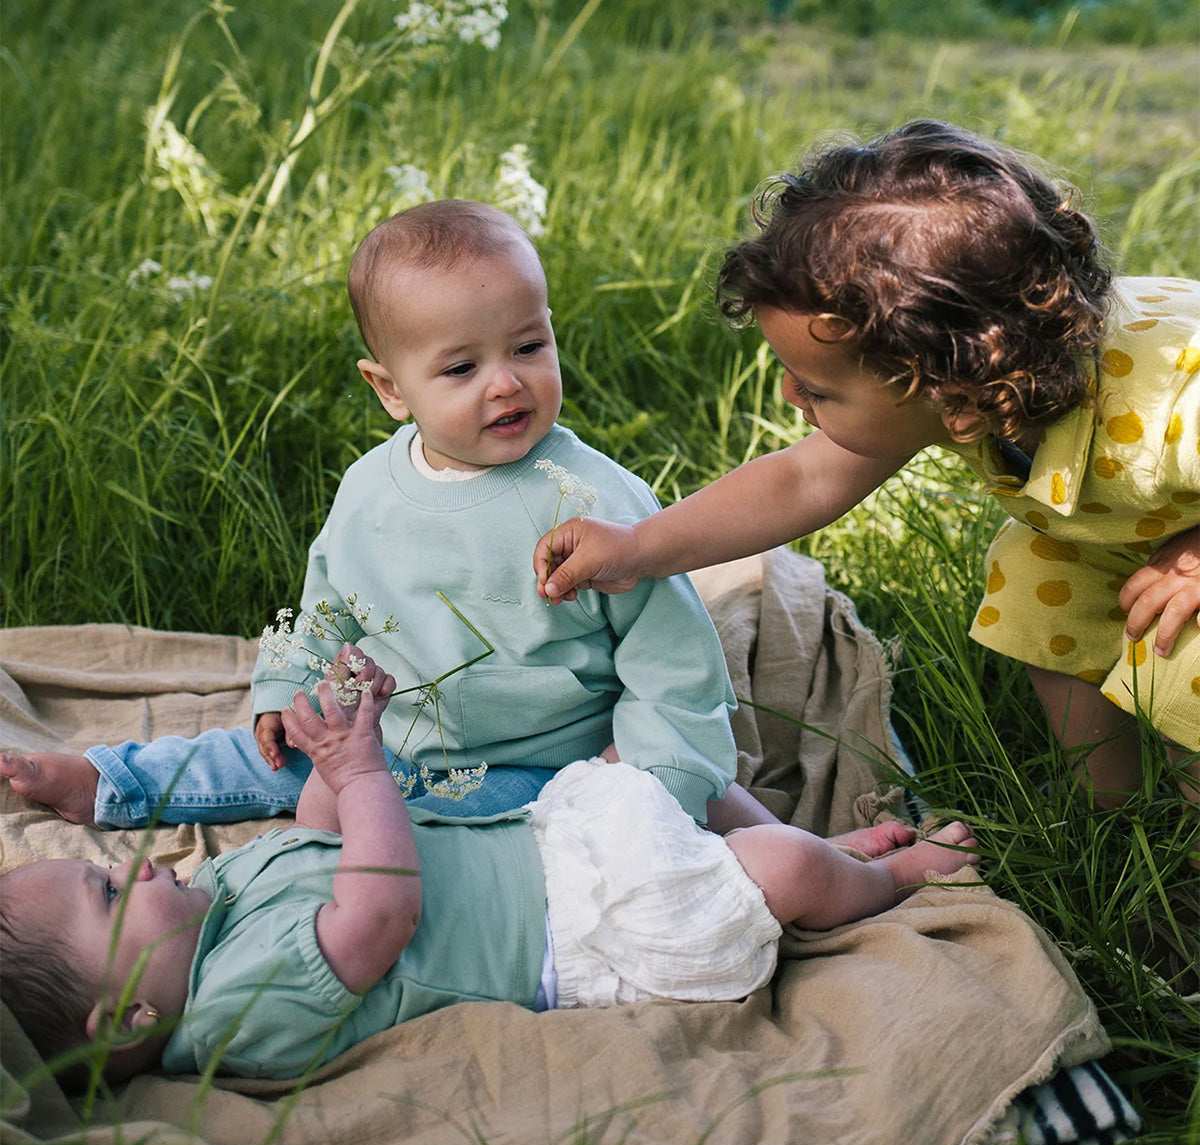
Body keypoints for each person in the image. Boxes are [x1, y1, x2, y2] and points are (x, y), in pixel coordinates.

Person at [0, 199, 769, 834]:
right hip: (380, 733)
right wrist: (284, 689)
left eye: (529, 346)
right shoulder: (372, 486)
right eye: (462, 368)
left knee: (448, 834)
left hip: (534, 762)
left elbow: (672, 661)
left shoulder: (595, 503)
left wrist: (651, 784)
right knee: (251, 755)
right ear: (390, 388)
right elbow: (328, 606)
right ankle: (111, 784)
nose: (506, 384)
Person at [534, 120, 1199, 810]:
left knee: (1186, 660)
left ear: (951, 397)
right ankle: (1108, 802)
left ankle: (1187, 848)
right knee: (1042, 579)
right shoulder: (976, 378)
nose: (791, 396)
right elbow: (803, 479)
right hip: (1126, 521)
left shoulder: (1169, 408)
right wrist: (640, 546)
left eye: (818, 389)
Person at [0, 665, 979, 1086]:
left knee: (666, 775)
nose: (127, 872)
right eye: (104, 897)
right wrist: (363, 771)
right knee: (776, 873)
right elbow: (379, 908)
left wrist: (340, 739)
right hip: (584, 933)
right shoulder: (230, 1011)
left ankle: (824, 856)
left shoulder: (221, 905)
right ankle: (888, 884)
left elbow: (322, 837)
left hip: (544, 845)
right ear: (128, 1018)